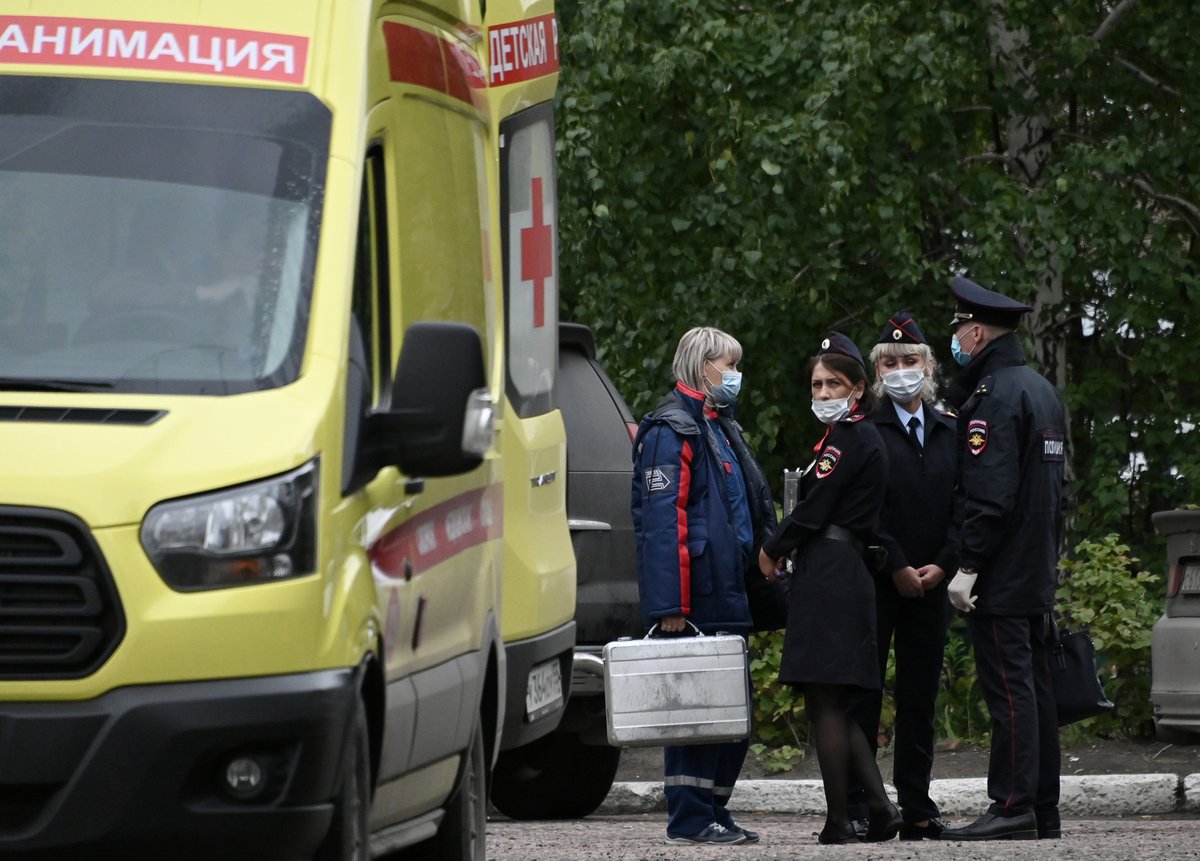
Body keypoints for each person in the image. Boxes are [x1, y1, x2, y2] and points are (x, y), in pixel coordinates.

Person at [630, 325, 776, 847]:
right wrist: (670, 604)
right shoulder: (672, 429)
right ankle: (690, 817)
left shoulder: (718, 424)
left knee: (730, 709)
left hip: (729, 588)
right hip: (696, 596)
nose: (733, 375)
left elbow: (746, 506)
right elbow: (663, 522)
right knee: (694, 712)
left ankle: (713, 808)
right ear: (699, 366)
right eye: (726, 364)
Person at [756, 332, 902, 845]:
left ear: (858, 389)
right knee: (834, 703)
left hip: (832, 572)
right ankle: (880, 810)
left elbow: (813, 510)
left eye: (832, 384)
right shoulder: (853, 437)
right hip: (842, 571)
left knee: (826, 703)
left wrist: (773, 547)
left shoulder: (848, 439)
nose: (822, 394)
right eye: (816, 385)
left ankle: (841, 820)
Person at [937, 276, 1069, 842]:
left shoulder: (993, 398)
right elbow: (1058, 493)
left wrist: (969, 565)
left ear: (975, 330)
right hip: (1035, 564)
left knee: (1010, 692)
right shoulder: (1040, 390)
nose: (957, 344)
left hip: (1003, 569)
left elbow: (989, 495)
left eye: (959, 332)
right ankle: (1041, 808)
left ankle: (1012, 804)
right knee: (1035, 690)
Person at [845, 312, 958, 838]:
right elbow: (866, 509)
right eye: (889, 362)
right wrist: (895, 564)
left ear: (929, 366)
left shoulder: (951, 430)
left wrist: (945, 562)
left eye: (910, 360)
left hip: (933, 581)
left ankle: (917, 803)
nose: (900, 370)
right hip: (879, 581)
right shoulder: (866, 431)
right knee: (866, 695)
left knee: (919, 697)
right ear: (877, 372)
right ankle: (869, 804)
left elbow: (965, 504)